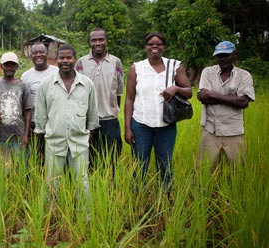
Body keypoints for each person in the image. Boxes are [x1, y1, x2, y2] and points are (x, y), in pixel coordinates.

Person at [124, 32, 192, 191]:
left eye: (159, 43)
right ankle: (137, 197)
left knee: (165, 164)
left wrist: (176, 88)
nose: (155, 46)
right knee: (139, 164)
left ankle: (167, 197)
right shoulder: (137, 68)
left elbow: (189, 91)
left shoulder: (174, 66)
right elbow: (129, 99)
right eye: (151, 44)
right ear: (145, 47)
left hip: (166, 126)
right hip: (141, 125)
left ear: (164, 47)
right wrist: (128, 128)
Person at [34, 44, 99, 202]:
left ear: (75, 59)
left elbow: (92, 119)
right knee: (51, 184)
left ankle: (86, 218)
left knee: (82, 183)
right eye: (61, 58)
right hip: (54, 143)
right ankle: (50, 219)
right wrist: (42, 148)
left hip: (79, 143)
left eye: (68, 57)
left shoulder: (87, 84)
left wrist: (87, 139)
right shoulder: (46, 85)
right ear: (56, 60)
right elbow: (41, 120)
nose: (65, 61)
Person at [197, 41, 255, 167]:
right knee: (203, 169)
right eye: (219, 56)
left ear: (234, 54)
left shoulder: (244, 76)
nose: (222, 59)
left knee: (237, 169)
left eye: (226, 55)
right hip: (210, 129)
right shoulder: (208, 72)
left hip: (233, 130)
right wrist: (232, 98)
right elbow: (202, 98)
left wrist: (212, 94)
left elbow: (243, 102)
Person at [75, 27, 124, 174]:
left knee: (113, 159)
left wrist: (111, 109)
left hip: (110, 120)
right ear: (89, 42)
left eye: (101, 39)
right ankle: (92, 190)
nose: (98, 43)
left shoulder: (116, 62)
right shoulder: (81, 63)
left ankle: (111, 190)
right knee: (89, 160)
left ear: (106, 41)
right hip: (87, 121)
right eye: (94, 40)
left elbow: (119, 92)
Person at [0, 52, 31, 164]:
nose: (9, 68)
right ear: (1, 66)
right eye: (6, 65)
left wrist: (26, 134)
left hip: (18, 134)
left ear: (17, 67)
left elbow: (28, 110)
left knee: (20, 166)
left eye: (12, 65)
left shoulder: (22, 86)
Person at [21, 43, 59, 166]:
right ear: (30, 55)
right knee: (36, 158)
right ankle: (36, 182)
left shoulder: (57, 72)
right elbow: (24, 103)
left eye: (41, 52)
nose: (38, 55)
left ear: (47, 53)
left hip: (54, 124)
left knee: (53, 158)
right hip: (34, 125)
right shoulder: (26, 76)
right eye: (35, 53)